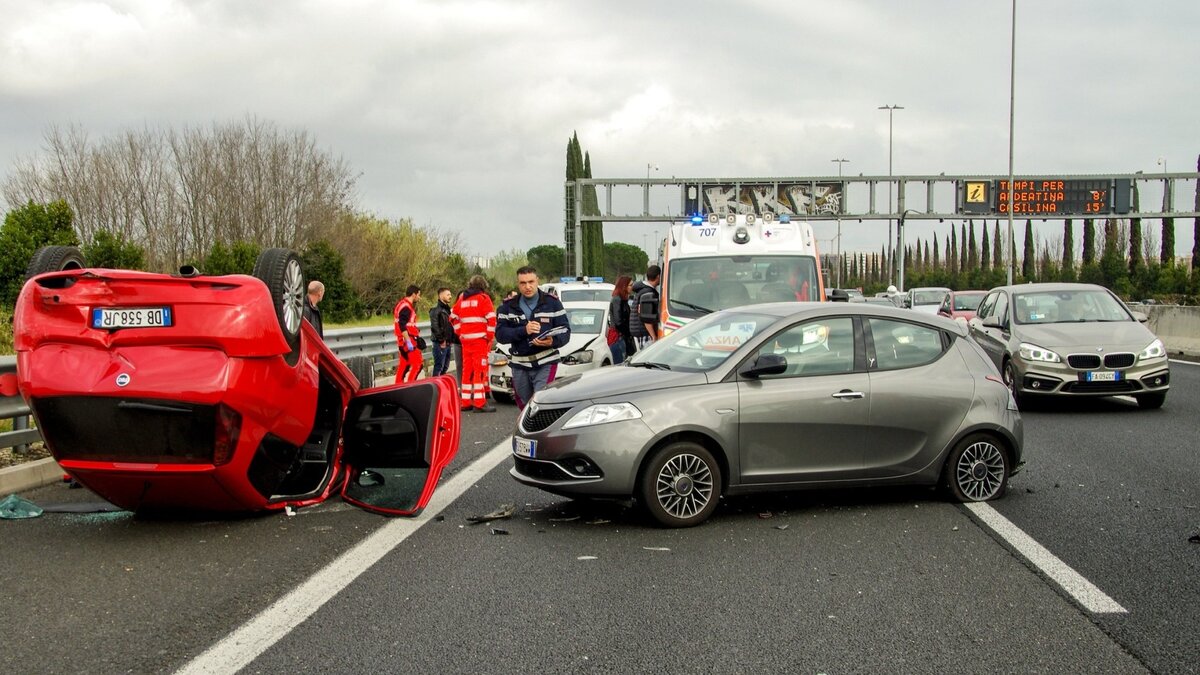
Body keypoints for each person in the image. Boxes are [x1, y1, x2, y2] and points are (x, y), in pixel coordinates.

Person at [496, 265, 570, 410]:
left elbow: (566, 331)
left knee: (541, 401)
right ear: (518, 284)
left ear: (537, 281)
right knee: (524, 406)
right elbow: (500, 335)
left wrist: (552, 341)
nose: (527, 287)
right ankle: (527, 431)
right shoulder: (507, 307)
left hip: (546, 362)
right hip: (519, 363)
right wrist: (524, 330)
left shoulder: (552, 303)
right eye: (523, 283)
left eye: (531, 282)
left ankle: (542, 432)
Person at [450, 275, 497, 412]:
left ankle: (465, 402)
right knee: (479, 371)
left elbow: (452, 317)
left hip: (466, 341)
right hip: (479, 341)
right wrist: (488, 337)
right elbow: (492, 320)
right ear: (483, 286)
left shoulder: (462, 298)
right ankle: (479, 403)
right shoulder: (483, 298)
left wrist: (460, 333)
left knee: (467, 371)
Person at [393, 284, 423, 383]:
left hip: (402, 340)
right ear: (414, 294)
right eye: (419, 295)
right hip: (407, 340)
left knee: (404, 365)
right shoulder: (406, 307)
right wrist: (409, 341)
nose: (419, 297)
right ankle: (411, 386)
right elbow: (402, 325)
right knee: (418, 364)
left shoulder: (402, 304)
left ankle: (398, 387)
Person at [628, 265, 660, 350]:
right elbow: (647, 318)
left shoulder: (642, 290)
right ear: (658, 276)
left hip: (639, 331)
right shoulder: (648, 293)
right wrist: (653, 336)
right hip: (645, 333)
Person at [608, 275, 634, 364]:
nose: (632, 287)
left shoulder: (623, 300)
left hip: (622, 337)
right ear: (624, 286)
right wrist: (629, 332)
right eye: (630, 285)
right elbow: (618, 322)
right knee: (620, 365)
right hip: (618, 337)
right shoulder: (617, 299)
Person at [428, 287, 454, 377]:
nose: (450, 296)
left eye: (450, 294)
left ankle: (441, 387)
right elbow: (435, 327)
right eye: (448, 294)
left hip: (447, 343)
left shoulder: (448, 310)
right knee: (439, 366)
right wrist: (442, 340)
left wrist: (450, 340)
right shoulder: (435, 310)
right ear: (441, 295)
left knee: (445, 367)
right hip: (440, 343)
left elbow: (449, 326)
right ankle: (435, 387)